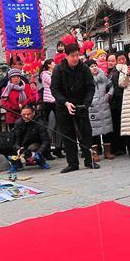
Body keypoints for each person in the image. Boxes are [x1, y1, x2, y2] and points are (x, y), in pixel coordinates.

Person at [50, 42, 98, 173]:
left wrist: (86, 103)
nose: (76, 58)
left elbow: (90, 87)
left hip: (81, 104)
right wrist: (65, 102)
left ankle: (89, 160)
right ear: (66, 56)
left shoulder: (84, 69)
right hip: (64, 106)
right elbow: (54, 89)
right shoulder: (58, 70)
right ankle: (72, 163)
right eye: (73, 56)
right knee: (68, 134)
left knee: (86, 133)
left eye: (77, 55)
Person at [7, 105, 51, 172]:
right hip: (23, 144)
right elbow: (16, 139)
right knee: (4, 146)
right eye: (24, 114)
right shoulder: (18, 123)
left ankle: (40, 160)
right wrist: (18, 148)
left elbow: (46, 141)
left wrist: (39, 152)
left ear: (33, 113)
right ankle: (16, 164)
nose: (26, 117)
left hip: (35, 143)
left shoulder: (39, 123)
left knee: (32, 148)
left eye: (28, 114)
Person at [86, 60, 114, 162]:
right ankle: (95, 153)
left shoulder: (103, 77)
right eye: (91, 66)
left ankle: (107, 152)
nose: (94, 68)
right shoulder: (86, 79)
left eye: (95, 65)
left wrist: (109, 94)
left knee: (107, 130)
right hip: (92, 108)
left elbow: (111, 86)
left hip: (104, 106)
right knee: (94, 131)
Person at [39, 59, 58, 160]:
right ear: (49, 65)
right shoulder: (45, 74)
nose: (55, 64)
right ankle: (46, 150)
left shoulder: (54, 73)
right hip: (49, 100)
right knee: (48, 126)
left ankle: (58, 148)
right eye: (53, 63)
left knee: (58, 124)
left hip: (55, 99)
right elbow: (53, 83)